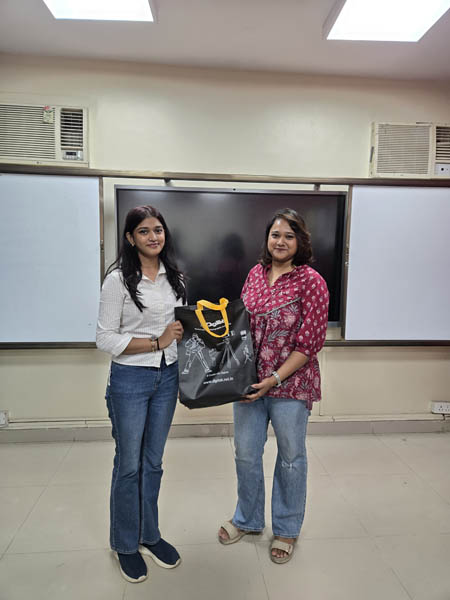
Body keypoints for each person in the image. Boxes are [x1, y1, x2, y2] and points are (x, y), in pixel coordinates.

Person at [218, 208, 329, 564]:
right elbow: (240, 327)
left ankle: (286, 529)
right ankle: (248, 519)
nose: (280, 242)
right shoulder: (255, 274)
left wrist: (275, 379)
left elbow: (309, 344)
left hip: (290, 386)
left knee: (291, 459)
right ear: (267, 238)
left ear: (300, 241)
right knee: (246, 454)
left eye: (289, 236)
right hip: (249, 384)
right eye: (275, 235)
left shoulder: (312, 282)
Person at [96, 205, 185, 583]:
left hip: (168, 377)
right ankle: (125, 544)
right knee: (129, 464)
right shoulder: (117, 280)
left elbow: (178, 330)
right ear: (130, 238)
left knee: (153, 463)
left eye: (158, 230)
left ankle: (149, 535)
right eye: (144, 231)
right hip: (130, 380)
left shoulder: (175, 277)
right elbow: (104, 338)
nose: (153, 237)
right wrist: (156, 342)